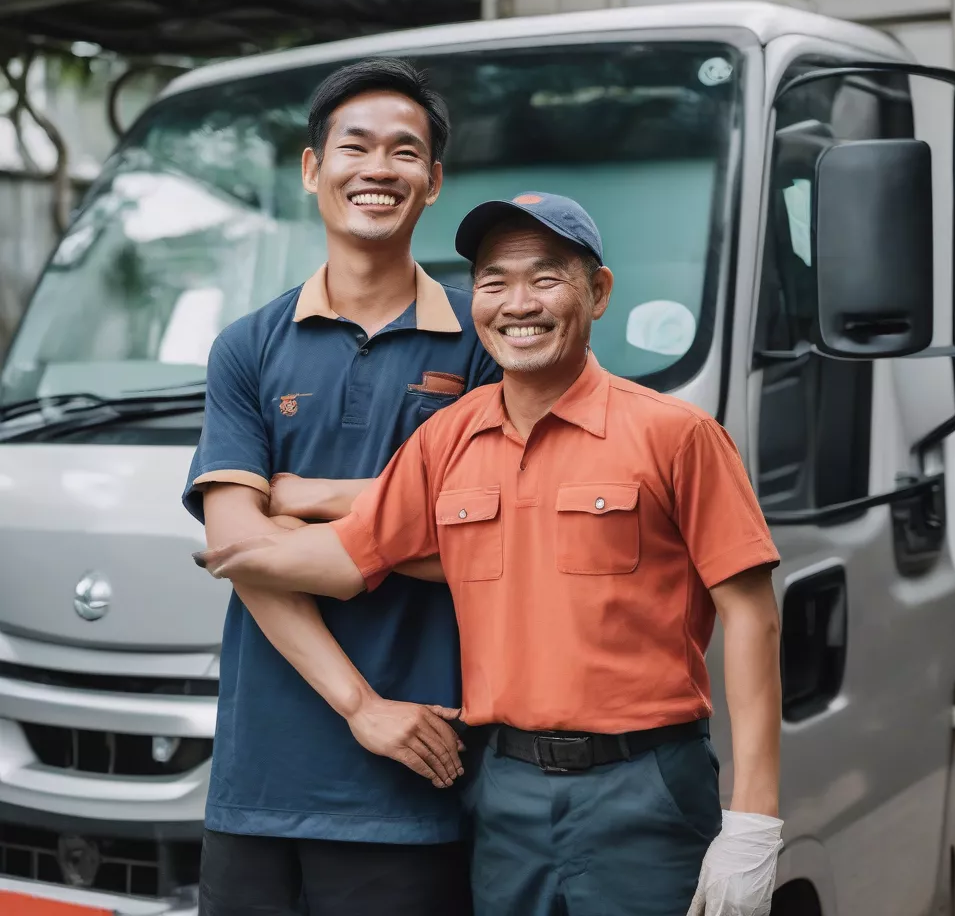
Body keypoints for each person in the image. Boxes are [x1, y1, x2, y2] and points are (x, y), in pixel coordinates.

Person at [194, 192, 785, 916]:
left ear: (597, 294)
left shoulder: (678, 434)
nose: (518, 303)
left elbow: (752, 615)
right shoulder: (448, 439)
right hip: (505, 791)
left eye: (546, 278)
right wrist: (241, 548)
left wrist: (753, 821)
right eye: (494, 282)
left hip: (645, 785)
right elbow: (348, 561)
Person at [182, 58, 500, 916]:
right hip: (260, 777)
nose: (378, 169)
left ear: (432, 182)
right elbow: (239, 548)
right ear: (312, 167)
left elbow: (488, 539)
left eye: (405, 152)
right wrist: (361, 706)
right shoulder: (247, 345)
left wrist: (312, 497)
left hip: (414, 779)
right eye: (354, 146)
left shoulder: (483, 341)